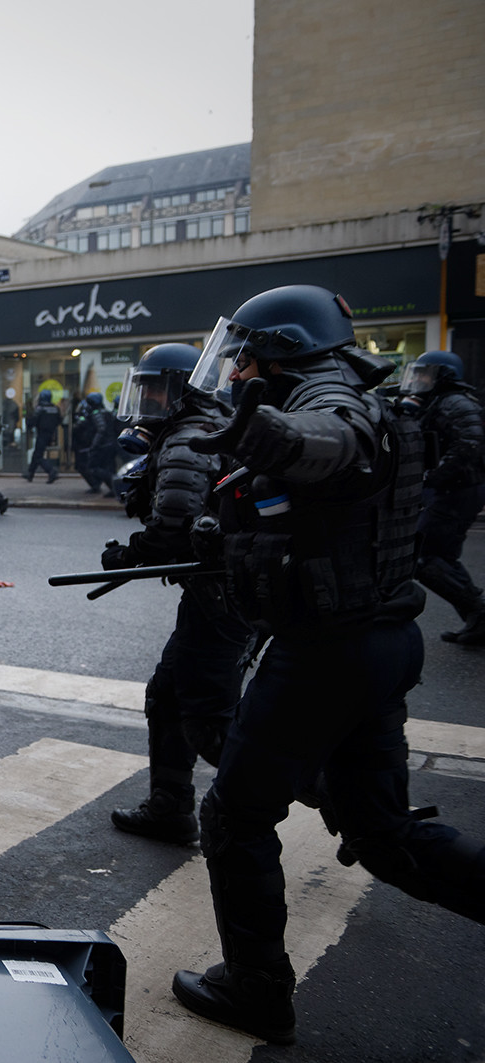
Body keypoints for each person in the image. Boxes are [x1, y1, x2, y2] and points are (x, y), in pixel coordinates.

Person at [169, 284, 485, 1044]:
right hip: (375, 643)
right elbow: (317, 520)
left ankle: (257, 989)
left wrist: (264, 433)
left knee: (234, 814)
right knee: (383, 834)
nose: (237, 370)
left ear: (280, 350)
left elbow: (326, 440)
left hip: (327, 652)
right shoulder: (341, 397)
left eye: (244, 355)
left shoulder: (331, 402)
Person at [99, 344, 252, 844]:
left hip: (222, 598)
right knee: (167, 695)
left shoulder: (189, 438)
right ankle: (170, 806)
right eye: (142, 388)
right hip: (218, 593)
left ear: (181, 388)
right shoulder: (202, 427)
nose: (147, 398)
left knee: (207, 718)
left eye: (155, 387)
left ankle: (331, 795)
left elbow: (174, 526)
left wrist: (130, 554)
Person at [398, 350, 485, 644]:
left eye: (426, 373)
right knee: (440, 556)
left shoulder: (456, 402)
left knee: (426, 558)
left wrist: (431, 477)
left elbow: (468, 445)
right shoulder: (434, 401)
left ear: (444, 376)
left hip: (457, 490)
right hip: (449, 489)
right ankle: (477, 619)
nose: (419, 379)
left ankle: (479, 612)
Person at [26, 391, 63, 482]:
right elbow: (59, 420)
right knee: (36, 454)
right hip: (51, 434)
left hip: (42, 433)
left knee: (38, 455)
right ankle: (30, 473)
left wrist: (29, 424)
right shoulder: (55, 408)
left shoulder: (40, 408)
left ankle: (51, 471)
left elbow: (33, 420)